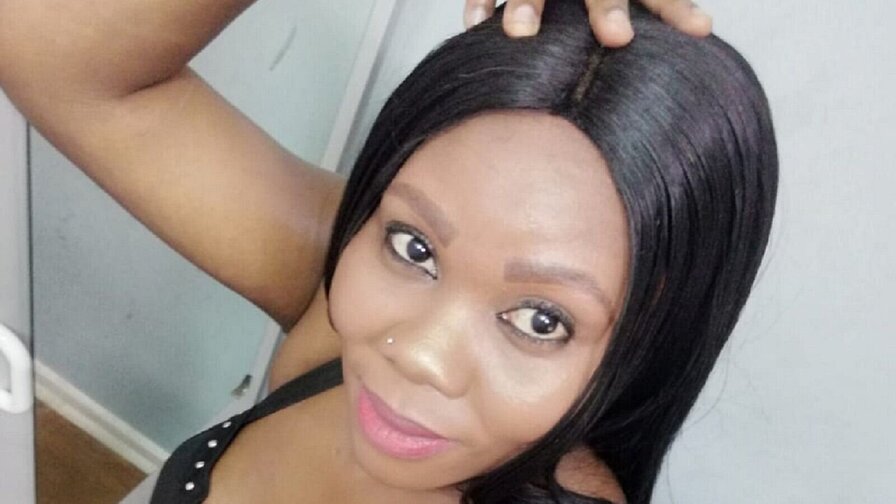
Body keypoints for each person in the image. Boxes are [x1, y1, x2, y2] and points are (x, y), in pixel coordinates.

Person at [0, 1, 776, 503]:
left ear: (647, 332)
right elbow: (50, 53)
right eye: (415, 246)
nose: (423, 355)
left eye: (541, 319)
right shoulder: (333, 286)